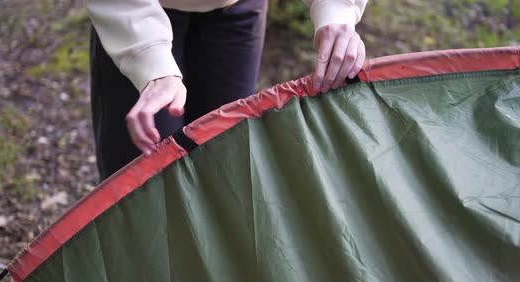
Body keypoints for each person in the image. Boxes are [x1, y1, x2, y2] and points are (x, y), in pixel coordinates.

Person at [86, 0, 368, 180]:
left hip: (238, 14)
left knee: (222, 166)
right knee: (139, 181)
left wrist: (336, 10)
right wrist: (149, 59)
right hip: (133, 14)